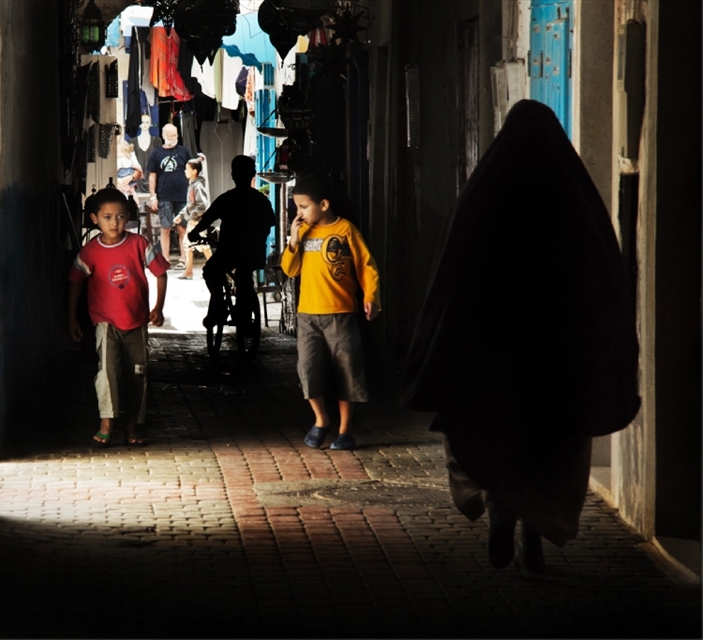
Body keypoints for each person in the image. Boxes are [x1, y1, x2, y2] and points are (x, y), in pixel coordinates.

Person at [401, 100, 640, 573]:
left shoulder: (483, 196)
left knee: (496, 439)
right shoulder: (574, 201)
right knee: (547, 447)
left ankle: (502, 513)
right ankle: (534, 532)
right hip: (556, 356)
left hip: (491, 355)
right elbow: (603, 278)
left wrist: (440, 351)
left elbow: (450, 277)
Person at [280, 174, 381, 452]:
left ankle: (345, 430)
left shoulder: (346, 230)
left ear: (323, 204)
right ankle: (321, 419)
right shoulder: (303, 233)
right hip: (307, 315)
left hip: (341, 312)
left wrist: (371, 296)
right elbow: (290, 269)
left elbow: (366, 265)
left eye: (303, 207)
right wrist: (293, 240)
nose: (298, 213)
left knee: (346, 370)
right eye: (296, 208)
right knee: (308, 369)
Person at [68, 188, 170, 446]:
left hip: (136, 322)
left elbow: (161, 273)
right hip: (105, 322)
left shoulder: (139, 245)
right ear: (95, 219)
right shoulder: (90, 252)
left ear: (128, 217)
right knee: (107, 372)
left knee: (138, 374)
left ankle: (133, 423)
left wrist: (158, 307)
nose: (115, 223)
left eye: (120, 216)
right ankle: (107, 421)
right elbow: (75, 282)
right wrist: (72, 318)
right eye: (107, 217)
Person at [189, 155, 275, 329]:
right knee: (244, 276)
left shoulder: (227, 199)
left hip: (229, 252)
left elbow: (207, 220)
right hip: (255, 253)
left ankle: (218, 305)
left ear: (233, 175)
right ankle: (242, 313)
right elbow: (270, 222)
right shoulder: (261, 201)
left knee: (211, 271)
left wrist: (194, 233)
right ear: (253, 174)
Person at [146, 123, 191, 265]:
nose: (173, 138)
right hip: (164, 196)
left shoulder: (184, 151)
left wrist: (192, 193)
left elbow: (192, 174)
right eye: (170, 135)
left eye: (175, 135)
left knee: (182, 227)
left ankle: (183, 258)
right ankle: (165, 259)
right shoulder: (156, 153)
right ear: (163, 136)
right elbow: (152, 176)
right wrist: (152, 196)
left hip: (183, 196)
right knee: (165, 228)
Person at [172, 158, 213, 279]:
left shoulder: (197, 186)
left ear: (194, 171)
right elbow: (191, 204)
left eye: (187, 169)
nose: (185, 171)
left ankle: (213, 268)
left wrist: (192, 216)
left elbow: (202, 205)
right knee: (189, 245)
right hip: (194, 221)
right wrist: (181, 215)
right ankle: (189, 270)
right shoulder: (193, 185)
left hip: (197, 221)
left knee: (201, 245)